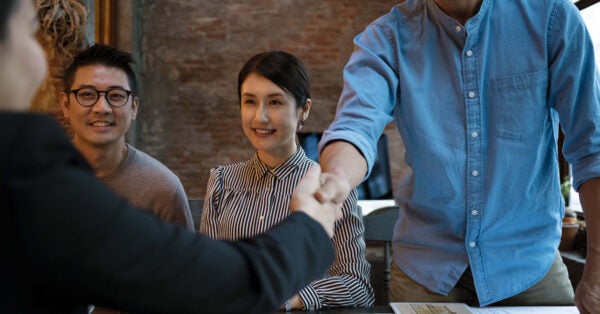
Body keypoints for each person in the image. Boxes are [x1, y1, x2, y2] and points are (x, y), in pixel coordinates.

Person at [0, 0, 350, 313]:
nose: (41, 63)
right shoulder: (26, 166)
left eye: (275, 101)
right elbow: (217, 283)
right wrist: (310, 225)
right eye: (30, 35)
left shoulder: (159, 184)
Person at [318, 0, 600, 313]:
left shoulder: (552, 19)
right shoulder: (387, 37)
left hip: (528, 268)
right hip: (426, 273)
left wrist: (598, 272)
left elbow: (592, 146)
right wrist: (336, 181)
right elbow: (356, 125)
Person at [200, 50, 374, 311]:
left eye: (275, 102)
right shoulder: (222, 180)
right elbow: (207, 273)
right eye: (249, 102)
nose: (260, 117)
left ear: (304, 109)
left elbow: (358, 285)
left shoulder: (330, 186)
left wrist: (290, 299)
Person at [60, 44, 194, 231]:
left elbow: (181, 260)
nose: (102, 108)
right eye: (87, 95)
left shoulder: (162, 189)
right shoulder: (35, 178)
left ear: (134, 107)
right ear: (66, 105)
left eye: (116, 96)